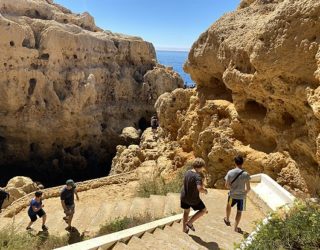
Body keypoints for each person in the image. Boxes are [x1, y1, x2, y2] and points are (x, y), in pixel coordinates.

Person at [224, 155, 251, 233]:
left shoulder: (230, 172)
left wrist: (232, 189)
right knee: (239, 211)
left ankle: (227, 219)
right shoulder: (246, 174)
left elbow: (226, 185)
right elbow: (248, 188)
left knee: (229, 205)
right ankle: (235, 228)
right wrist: (243, 193)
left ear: (235, 162)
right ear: (242, 163)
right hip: (242, 197)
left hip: (232, 195)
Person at [180, 158, 208, 233]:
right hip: (192, 198)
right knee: (203, 210)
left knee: (186, 211)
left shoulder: (188, 172)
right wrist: (205, 191)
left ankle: (184, 229)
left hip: (184, 196)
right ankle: (190, 222)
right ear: (201, 167)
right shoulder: (197, 176)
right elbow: (199, 188)